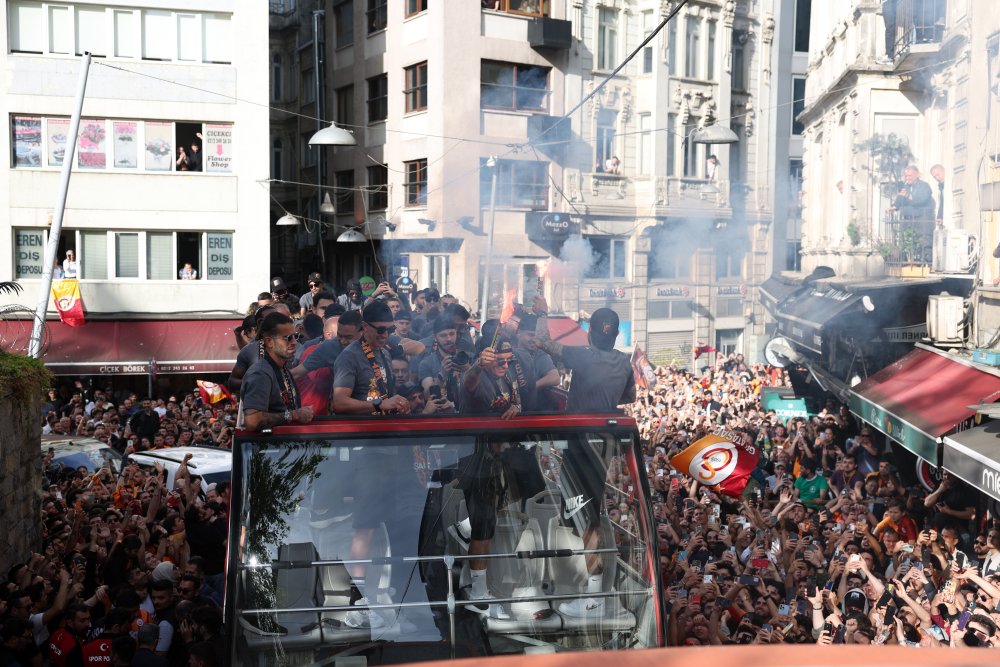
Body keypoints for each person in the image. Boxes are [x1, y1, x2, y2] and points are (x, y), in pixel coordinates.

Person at [531, 296, 635, 412]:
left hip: (579, 427)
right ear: (617, 334)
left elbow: (541, 341)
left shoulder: (582, 356)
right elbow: (630, 397)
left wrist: (542, 313)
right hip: (608, 427)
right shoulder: (624, 360)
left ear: (589, 330)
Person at [331, 301, 410, 415]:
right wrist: (379, 404)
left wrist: (398, 404)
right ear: (365, 326)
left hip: (381, 427)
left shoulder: (385, 353)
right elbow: (339, 403)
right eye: (381, 330)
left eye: (390, 330)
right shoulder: (349, 356)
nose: (385, 335)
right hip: (360, 430)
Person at [240, 312, 315, 431]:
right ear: (269, 342)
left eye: (295, 336)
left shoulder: (281, 368)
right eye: (287, 338)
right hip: (267, 448)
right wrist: (293, 415)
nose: (294, 342)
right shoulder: (260, 374)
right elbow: (252, 421)